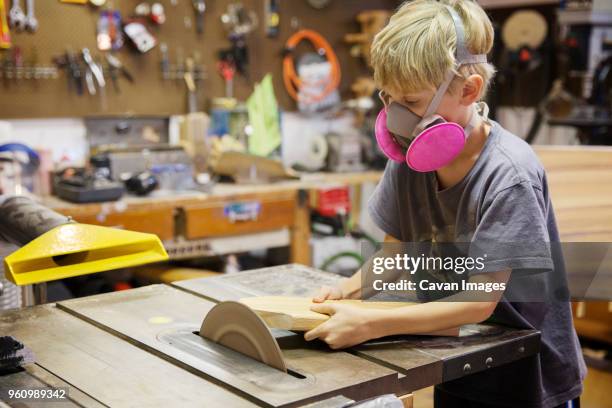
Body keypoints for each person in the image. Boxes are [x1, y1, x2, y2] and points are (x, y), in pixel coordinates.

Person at [305, 1, 586, 407]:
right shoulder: (409, 158)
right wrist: (346, 293)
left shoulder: (508, 175)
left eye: (412, 102)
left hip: (528, 379)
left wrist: (372, 321)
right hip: (455, 360)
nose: (396, 117)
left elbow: (477, 302)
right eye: (388, 99)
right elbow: (398, 255)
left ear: (469, 89)